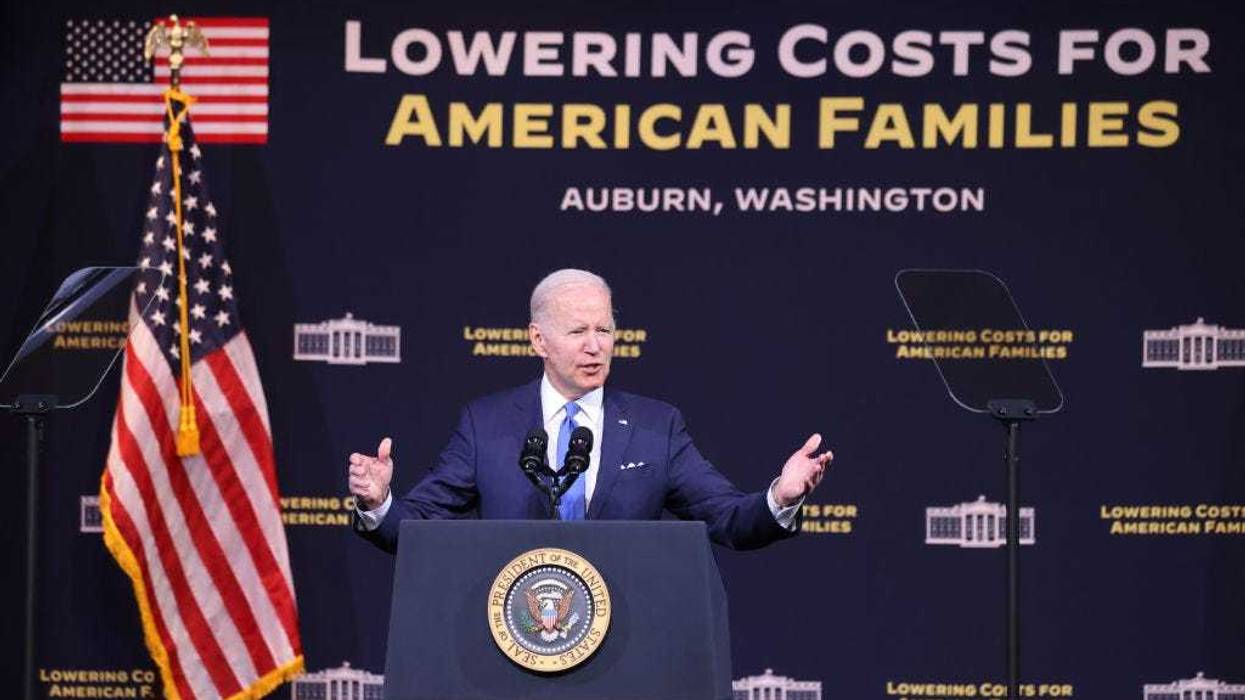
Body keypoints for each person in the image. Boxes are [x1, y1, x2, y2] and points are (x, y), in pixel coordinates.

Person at [348, 269, 832, 553]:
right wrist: (378, 504)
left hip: (626, 649)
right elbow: (417, 531)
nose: (595, 347)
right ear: (538, 339)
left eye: (604, 330)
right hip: (512, 647)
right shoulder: (487, 424)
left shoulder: (655, 427)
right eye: (578, 332)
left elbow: (727, 518)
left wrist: (780, 496)